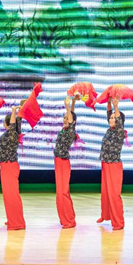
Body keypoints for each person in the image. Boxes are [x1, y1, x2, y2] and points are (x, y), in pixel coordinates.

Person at [97, 97, 126, 230]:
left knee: (114, 194)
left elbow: (118, 120)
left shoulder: (120, 132)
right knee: (105, 192)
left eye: (114, 118)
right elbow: (109, 114)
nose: (111, 119)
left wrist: (116, 106)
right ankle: (106, 215)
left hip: (114, 165)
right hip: (105, 163)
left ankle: (118, 222)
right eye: (111, 118)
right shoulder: (110, 130)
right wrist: (108, 102)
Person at [0, 104, 26, 230]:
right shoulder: (11, 133)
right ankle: (12, 219)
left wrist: (14, 112)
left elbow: (14, 124)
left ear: (7, 124)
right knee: (8, 195)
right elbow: (17, 123)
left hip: (9, 165)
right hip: (5, 165)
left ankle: (17, 222)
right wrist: (19, 112)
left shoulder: (12, 133)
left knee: (12, 194)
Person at [55, 96, 78, 229]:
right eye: (63, 118)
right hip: (58, 161)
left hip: (63, 162)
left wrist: (68, 106)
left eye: (66, 118)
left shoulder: (71, 131)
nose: (65, 119)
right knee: (59, 193)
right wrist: (73, 102)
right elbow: (71, 117)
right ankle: (64, 218)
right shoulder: (65, 129)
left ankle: (70, 220)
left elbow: (71, 118)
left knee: (64, 192)